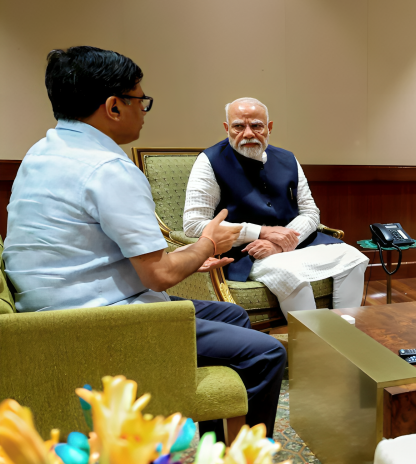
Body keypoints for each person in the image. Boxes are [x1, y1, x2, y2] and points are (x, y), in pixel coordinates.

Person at [2, 46, 286, 437]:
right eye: (140, 100)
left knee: (232, 315)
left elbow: (94, 249)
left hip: (49, 312)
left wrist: (192, 255)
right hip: (98, 323)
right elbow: (159, 275)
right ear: (114, 106)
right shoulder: (109, 169)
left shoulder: (41, 152)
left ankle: (213, 441)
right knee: (268, 353)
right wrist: (207, 244)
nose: (144, 110)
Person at [183, 98, 368, 317]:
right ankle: (311, 338)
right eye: (239, 126)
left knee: (353, 258)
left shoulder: (288, 158)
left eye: (256, 126)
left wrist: (280, 243)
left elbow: (310, 212)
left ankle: (344, 330)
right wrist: (260, 232)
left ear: (269, 127)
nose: (248, 133)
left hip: (293, 244)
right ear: (227, 128)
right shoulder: (209, 161)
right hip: (246, 252)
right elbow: (194, 224)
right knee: (290, 274)